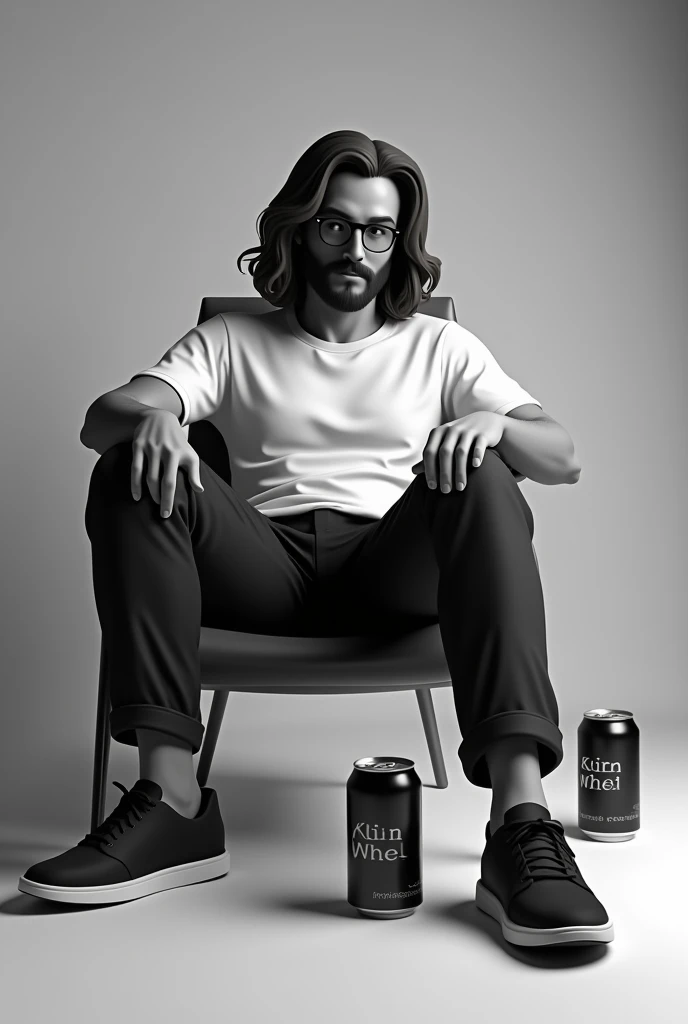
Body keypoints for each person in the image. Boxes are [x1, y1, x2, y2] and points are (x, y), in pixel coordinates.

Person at [18, 129, 613, 947]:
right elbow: (100, 418)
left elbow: (565, 457)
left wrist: (489, 422)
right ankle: (173, 804)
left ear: (399, 243)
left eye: (378, 231)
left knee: (488, 472)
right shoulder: (234, 340)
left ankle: (520, 826)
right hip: (267, 567)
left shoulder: (439, 346)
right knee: (129, 464)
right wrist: (157, 418)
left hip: (390, 568)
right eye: (335, 225)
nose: (356, 249)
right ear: (298, 229)